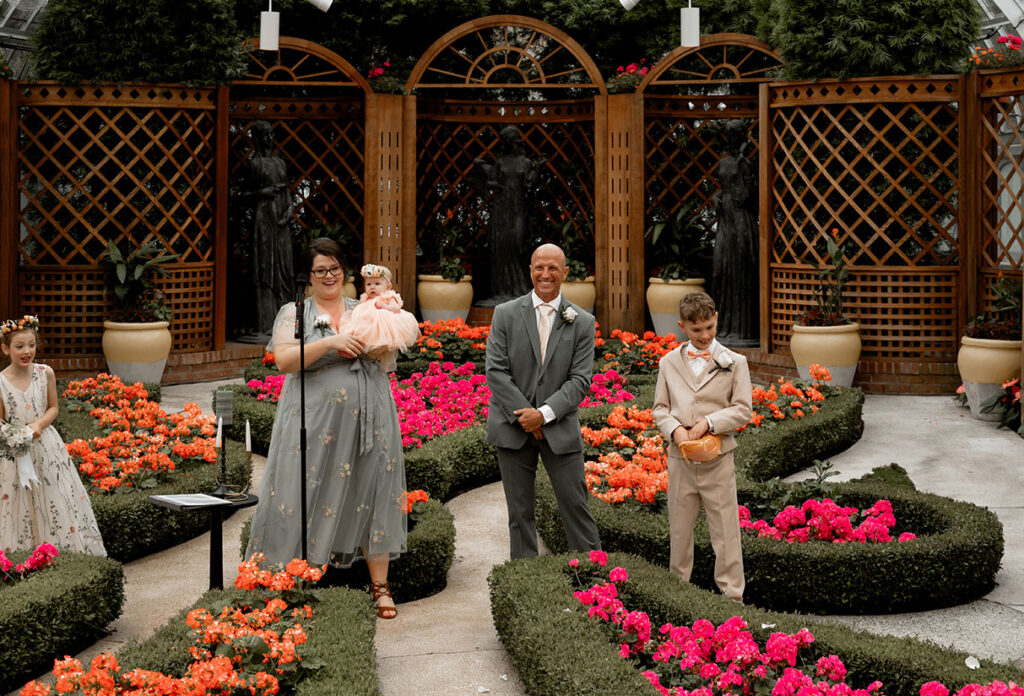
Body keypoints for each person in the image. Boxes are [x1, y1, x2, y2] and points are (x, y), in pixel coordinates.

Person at [245, 238, 406, 619]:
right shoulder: (296, 313)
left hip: (370, 414)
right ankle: (292, 576)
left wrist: (388, 321)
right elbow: (284, 360)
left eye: (334, 268)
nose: (329, 276)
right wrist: (331, 342)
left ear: (345, 271)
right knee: (302, 489)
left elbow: (388, 353)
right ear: (309, 277)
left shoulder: (364, 307)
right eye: (321, 270)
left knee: (376, 489)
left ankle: (380, 587)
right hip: (312, 421)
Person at [485, 243, 601, 559]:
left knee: (577, 509)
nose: (545, 274)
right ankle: (526, 583)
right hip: (512, 429)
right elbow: (495, 371)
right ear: (531, 270)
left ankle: (595, 582)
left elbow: (580, 381)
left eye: (553, 268)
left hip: (559, 429)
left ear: (564, 273)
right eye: (539, 267)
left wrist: (544, 415)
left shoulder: (583, 322)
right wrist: (526, 416)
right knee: (519, 515)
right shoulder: (505, 314)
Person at [652, 292, 752, 602]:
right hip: (680, 461)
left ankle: (732, 598)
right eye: (697, 330)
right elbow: (660, 409)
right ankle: (678, 596)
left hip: (718, 461)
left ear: (716, 319)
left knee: (726, 533)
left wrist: (708, 422)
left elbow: (743, 409)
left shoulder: (736, 362)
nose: (705, 335)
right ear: (683, 326)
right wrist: (676, 431)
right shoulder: (668, 363)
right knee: (680, 532)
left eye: (710, 327)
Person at [0, 315, 106, 556]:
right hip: (13, 453)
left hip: (46, 447)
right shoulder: (1, 383)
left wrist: (38, 425)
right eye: (19, 346)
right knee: (17, 500)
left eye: (31, 345)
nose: (27, 351)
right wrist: (13, 435)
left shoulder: (44, 373)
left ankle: (62, 552)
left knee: (54, 496)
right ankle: (22, 556)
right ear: (6, 348)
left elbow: (53, 407)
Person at [248, 120, 295, 338]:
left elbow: (287, 192)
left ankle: (286, 321)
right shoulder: (254, 164)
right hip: (263, 220)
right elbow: (240, 196)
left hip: (281, 222)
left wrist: (289, 211)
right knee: (266, 268)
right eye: (265, 135)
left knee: (285, 269)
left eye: (271, 135)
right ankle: (266, 323)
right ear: (257, 139)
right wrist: (262, 192)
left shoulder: (279, 163)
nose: (269, 139)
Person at [338, 264, 420, 373]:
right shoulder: (365, 298)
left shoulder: (388, 297)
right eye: (369, 284)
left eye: (377, 284)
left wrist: (385, 307)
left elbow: (396, 309)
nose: (372, 287)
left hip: (383, 326)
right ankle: (356, 356)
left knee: (377, 343)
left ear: (388, 287)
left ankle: (369, 357)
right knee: (356, 335)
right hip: (367, 325)